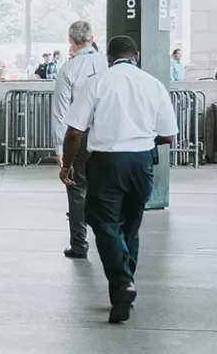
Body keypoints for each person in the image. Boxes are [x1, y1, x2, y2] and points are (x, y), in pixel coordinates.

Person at [60, 35, 178, 324]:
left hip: (106, 163)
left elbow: (75, 132)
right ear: (136, 56)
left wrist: (67, 166)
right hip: (142, 163)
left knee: (104, 223)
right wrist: (140, 136)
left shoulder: (97, 82)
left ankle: (123, 281)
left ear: (109, 58)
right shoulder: (153, 85)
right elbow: (169, 135)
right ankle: (124, 288)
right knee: (130, 226)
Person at [51, 20, 107, 260]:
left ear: (70, 41)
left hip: (79, 137)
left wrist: (60, 149)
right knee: (106, 191)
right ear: (92, 39)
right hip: (107, 136)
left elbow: (61, 112)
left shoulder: (68, 69)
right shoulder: (107, 63)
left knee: (76, 190)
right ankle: (108, 242)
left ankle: (79, 244)